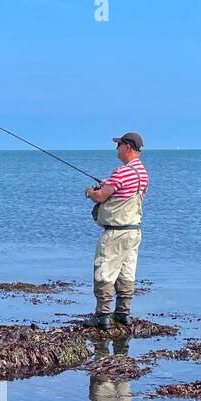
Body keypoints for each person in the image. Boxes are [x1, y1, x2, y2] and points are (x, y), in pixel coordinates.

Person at [83, 132, 148, 331]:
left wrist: (91, 192)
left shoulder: (121, 172)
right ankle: (123, 313)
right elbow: (121, 189)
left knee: (104, 271)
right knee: (126, 272)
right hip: (133, 231)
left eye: (119, 145)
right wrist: (109, 184)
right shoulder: (142, 173)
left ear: (127, 147)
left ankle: (102, 315)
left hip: (115, 232)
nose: (116, 148)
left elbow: (101, 197)